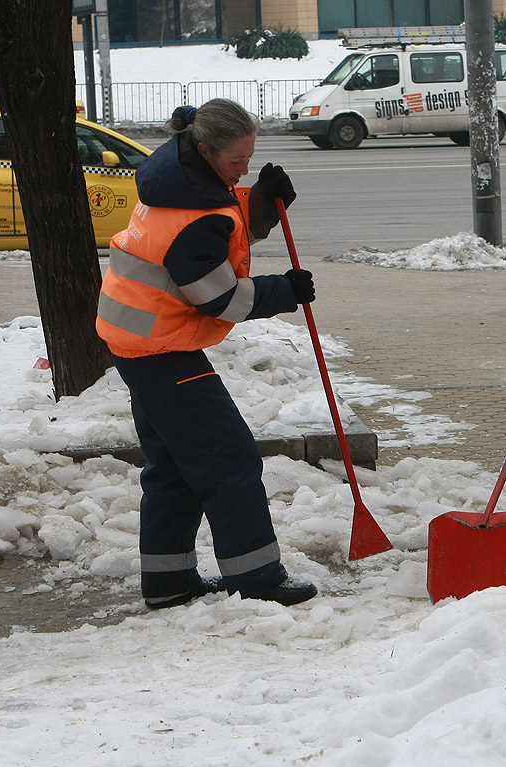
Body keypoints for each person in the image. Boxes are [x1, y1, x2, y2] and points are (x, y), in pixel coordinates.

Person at [96, 98, 318, 609]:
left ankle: (168, 582)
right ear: (205, 150)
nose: (243, 169)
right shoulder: (190, 214)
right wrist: (284, 291)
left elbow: (221, 214)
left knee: (174, 467)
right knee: (228, 459)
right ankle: (258, 577)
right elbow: (222, 299)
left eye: (250, 160)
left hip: (141, 341)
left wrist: (259, 200)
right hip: (160, 349)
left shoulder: (178, 178)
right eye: (237, 162)